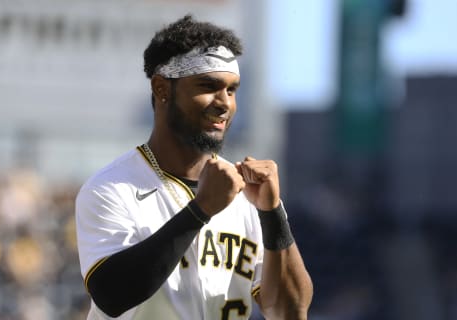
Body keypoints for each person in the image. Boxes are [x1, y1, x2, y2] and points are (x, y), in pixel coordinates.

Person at [75, 14, 313, 320]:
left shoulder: (246, 197)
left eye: (232, 89)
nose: (224, 102)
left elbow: (290, 312)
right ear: (162, 89)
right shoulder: (111, 187)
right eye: (208, 86)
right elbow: (112, 296)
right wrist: (200, 210)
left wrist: (272, 212)